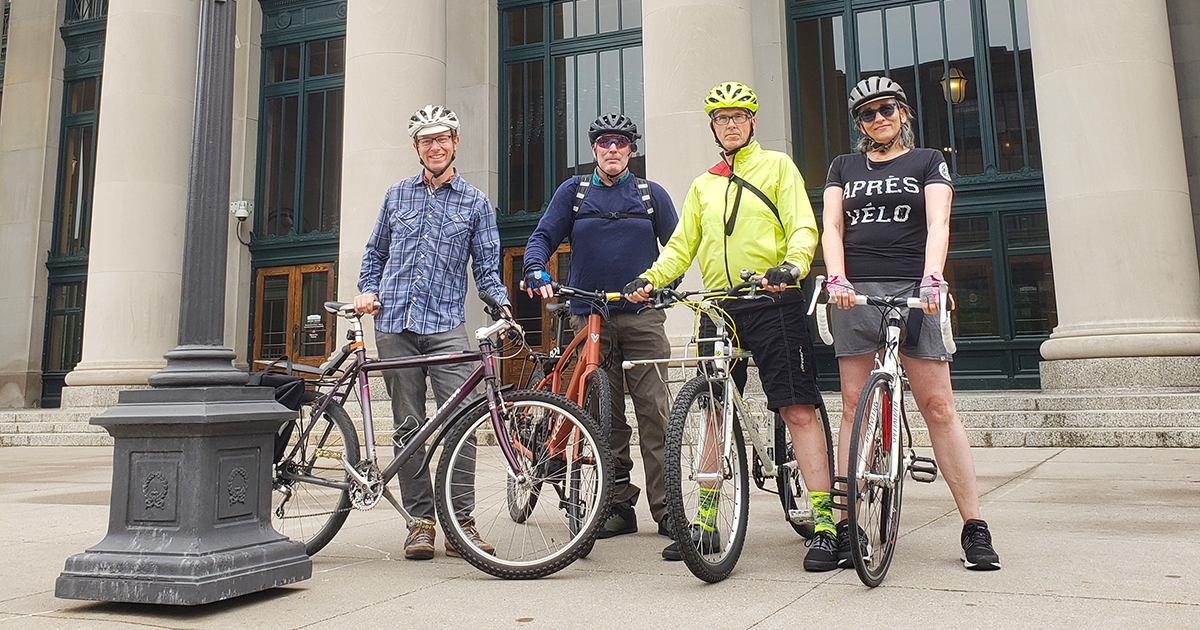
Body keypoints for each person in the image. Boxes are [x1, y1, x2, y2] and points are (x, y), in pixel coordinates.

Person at [624, 82, 838, 570]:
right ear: (713, 127)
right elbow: (681, 246)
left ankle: (827, 524)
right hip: (717, 308)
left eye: (740, 115)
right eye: (722, 118)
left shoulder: (778, 166)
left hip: (771, 300)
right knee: (712, 414)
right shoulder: (704, 184)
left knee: (797, 409)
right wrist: (650, 278)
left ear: (752, 122)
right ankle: (704, 521)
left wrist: (793, 266)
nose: (732, 123)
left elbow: (803, 225)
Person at [821, 76, 1000, 571]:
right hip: (854, 292)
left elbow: (939, 222)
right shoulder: (843, 166)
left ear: (902, 112)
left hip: (914, 290)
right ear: (859, 123)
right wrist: (835, 276)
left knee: (938, 406)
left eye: (886, 110)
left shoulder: (927, 161)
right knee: (854, 407)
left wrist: (932, 278)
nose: (878, 119)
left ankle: (974, 527)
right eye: (867, 114)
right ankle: (847, 525)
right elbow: (832, 226)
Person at [354, 105, 511, 561]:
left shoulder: (475, 202)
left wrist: (501, 306)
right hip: (394, 324)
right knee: (408, 426)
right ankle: (419, 523)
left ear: (456, 142)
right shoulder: (396, 196)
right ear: (417, 148)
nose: (435, 146)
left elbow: (486, 266)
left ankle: (461, 523)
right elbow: (374, 255)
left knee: (463, 421)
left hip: (445, 326)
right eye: (426, 140)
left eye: (442, 138)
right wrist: (367, 291)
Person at [523, 113, 679, 544]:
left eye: (622, 143)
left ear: (632, 150)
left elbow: (679, 249)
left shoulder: (651, 195)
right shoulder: (573, 192)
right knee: (602, 415)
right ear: (593, 150)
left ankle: (668, 509)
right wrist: (535, 266)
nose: (613, 150)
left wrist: (660, 285)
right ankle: (615, 505)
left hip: (642, 317)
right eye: (605, 143)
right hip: (589, 316)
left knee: (655, 411)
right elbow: (542, 236)